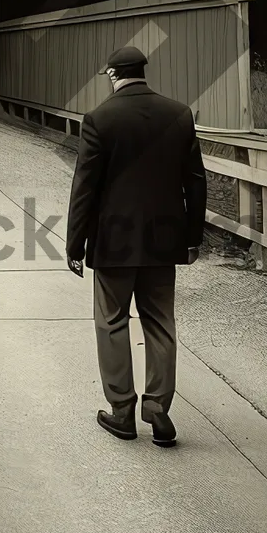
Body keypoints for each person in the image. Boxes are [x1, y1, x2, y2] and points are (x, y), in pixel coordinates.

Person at [65, 45, 207, 447]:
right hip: (164, 241)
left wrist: (75, 243)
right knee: (161, 322)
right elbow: (195, 180)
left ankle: (122, 411)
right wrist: (192, 239)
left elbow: (85, 187)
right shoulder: (178, 114)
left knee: (111, 321)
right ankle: (159, 408)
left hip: (114, 242)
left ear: (113, 75)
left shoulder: (100, 118)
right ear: (143, 72)